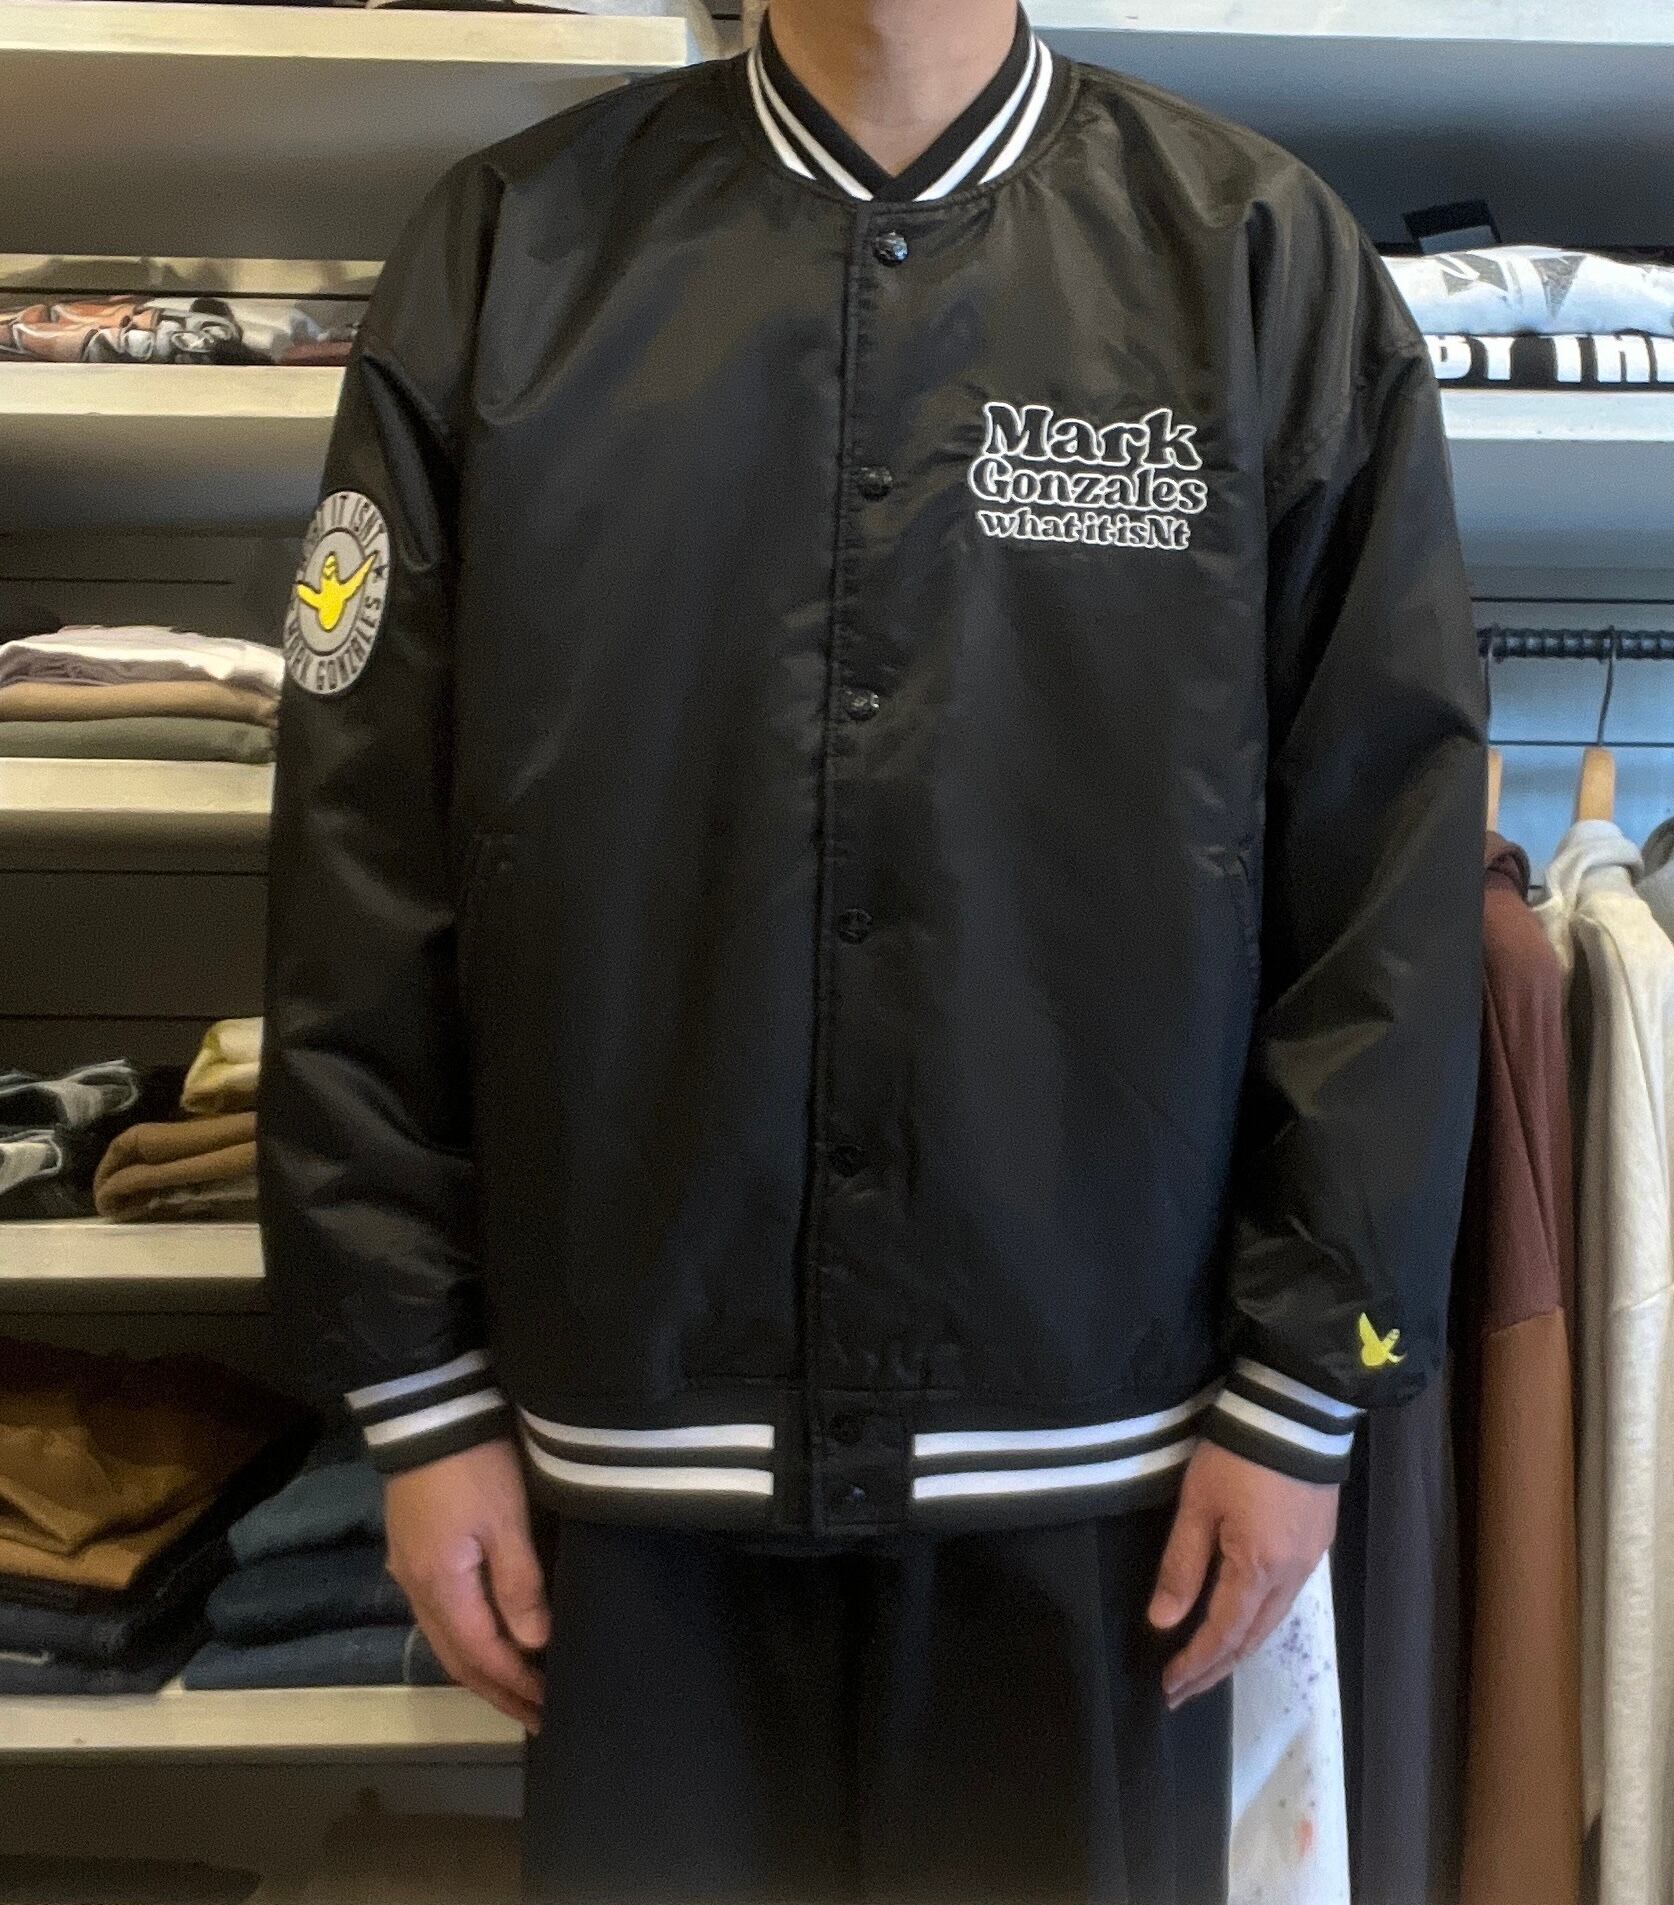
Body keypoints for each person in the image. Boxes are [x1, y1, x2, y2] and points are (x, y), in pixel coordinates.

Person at [259, 1, 1483, 1897]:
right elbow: (361, 848)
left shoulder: (1253, 261)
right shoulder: (512, 251)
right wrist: (414, 1395)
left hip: (1101, 1469)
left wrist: (1307, 1385)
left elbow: (1384, 858)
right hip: (630, 1449)